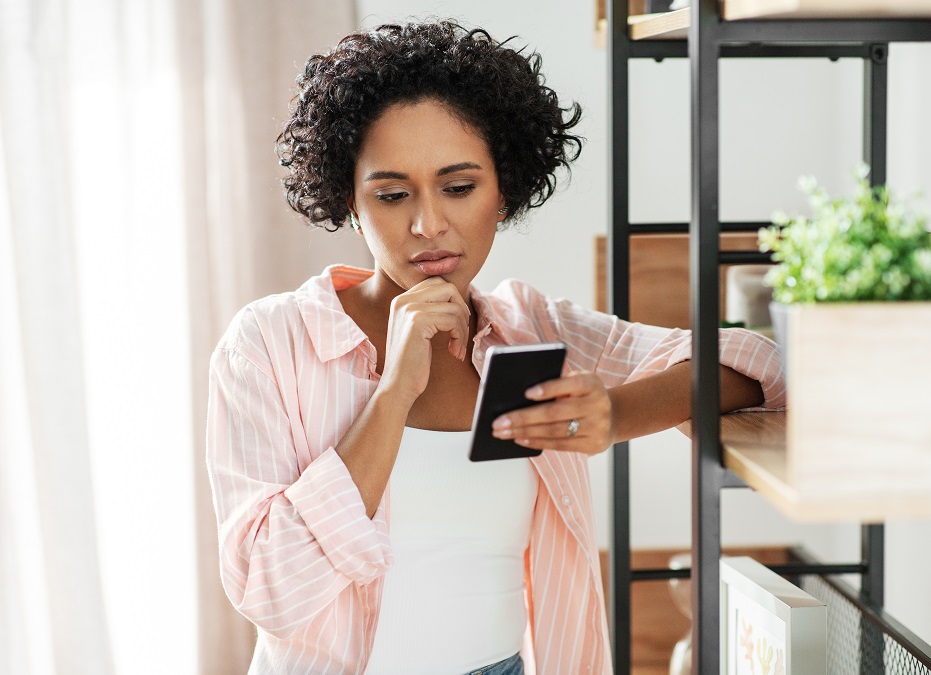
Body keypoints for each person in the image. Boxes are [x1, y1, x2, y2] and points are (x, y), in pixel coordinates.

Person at [206, 20, 785, 675]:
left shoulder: (529, 327)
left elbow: (760, 366)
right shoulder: (268, 344)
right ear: (349, 195)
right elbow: (269, 589)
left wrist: (614, 416)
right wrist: (393, 392)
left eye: (459, 187)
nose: (428, 224)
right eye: (392, 194)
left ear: (503, 190)